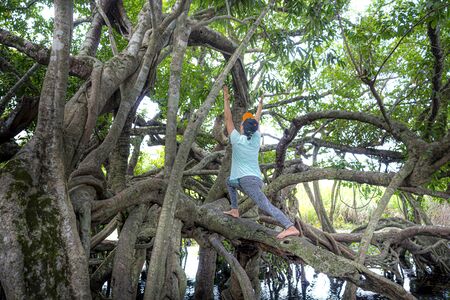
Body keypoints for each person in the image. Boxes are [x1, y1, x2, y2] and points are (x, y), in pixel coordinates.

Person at [222, 85, 300, 239]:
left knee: (264, 205)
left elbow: (228, 118)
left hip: (247, 182)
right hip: (255, 180)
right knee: (229, 181)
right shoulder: (256, 138)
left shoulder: (237, 140)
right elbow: (256, 121)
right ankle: (235, 209)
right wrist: (260, 106)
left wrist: (226, 99)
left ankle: (290, 226)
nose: (240, 124)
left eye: (242, 124)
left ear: (243, 128)